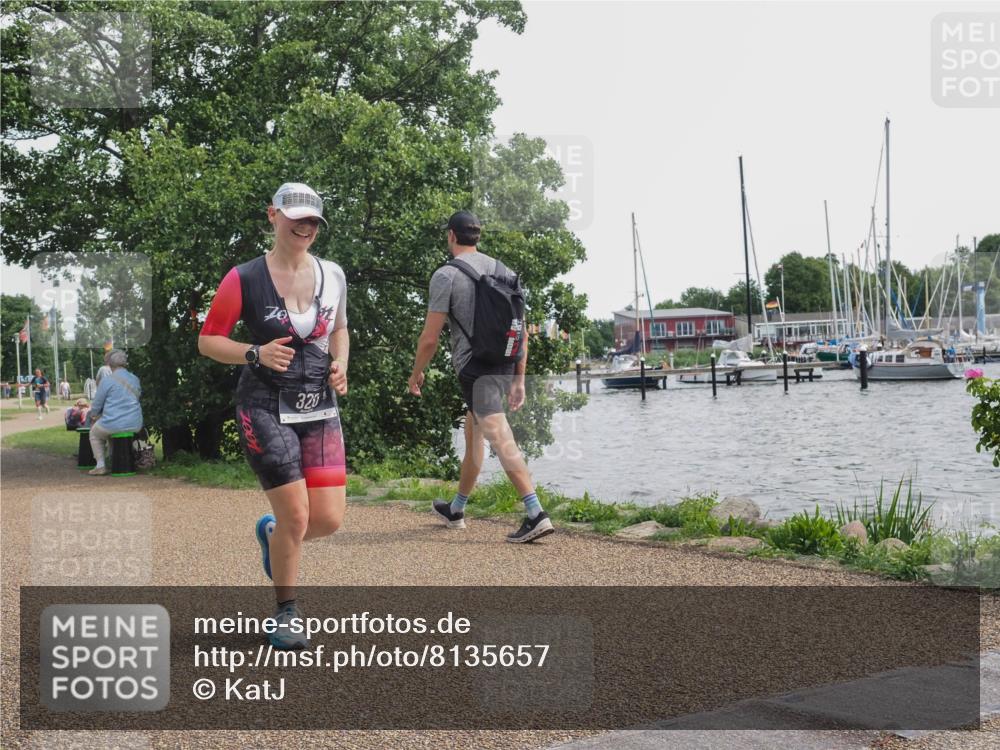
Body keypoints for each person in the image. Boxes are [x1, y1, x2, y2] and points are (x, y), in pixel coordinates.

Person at [198, 182, 348, 651]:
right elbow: (208, 340)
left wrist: (341, 362)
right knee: (298, 516)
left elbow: (340, 327)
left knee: (327, 521)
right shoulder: (243, 278)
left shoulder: (334, 274)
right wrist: (253, 352)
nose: (304, 227)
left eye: (312, 222)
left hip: (318, 405)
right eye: (295, 217)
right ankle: (286, 612)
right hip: (263, 405)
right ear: (273, 216)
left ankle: (271, 533)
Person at [408, 210, 554, 544]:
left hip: (475, 368)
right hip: (503, 362)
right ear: (478, 236)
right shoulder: (504, 270)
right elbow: (521, 330)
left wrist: (416, 374)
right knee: (474, 434)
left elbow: (429, 338)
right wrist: (519, 378)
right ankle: (456, 509)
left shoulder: (446, 275)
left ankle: (536, 513)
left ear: (450, 236)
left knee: (499, 435)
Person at [87, 350, 143, 475]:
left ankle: (100, 465)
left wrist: (94, 416)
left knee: (95, 434)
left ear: (110, 364)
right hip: (135, 422)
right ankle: (115, 460)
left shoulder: (107, 381)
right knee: (112, 432)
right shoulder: (135, 378)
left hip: (114, 423)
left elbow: (97, 404)